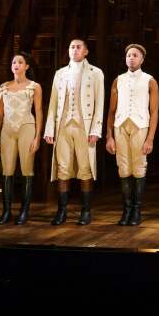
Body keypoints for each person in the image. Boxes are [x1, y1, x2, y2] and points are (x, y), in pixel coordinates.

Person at [43, 38, 104, 226]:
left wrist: (96, 129)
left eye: (78, 47)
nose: (74, 50)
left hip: (84, 126)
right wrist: (49, 129)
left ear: (86, 51)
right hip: (63, 125)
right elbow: (53, 103)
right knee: (63, 168)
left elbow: (99, 102)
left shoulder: (95, 73)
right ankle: (62, 211)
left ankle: (86, 211)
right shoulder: (60, 73)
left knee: (85, 168)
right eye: (71, 47)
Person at [106, 43, 158, 226]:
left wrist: (150, 138)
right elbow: (111, 111)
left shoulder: (149, 80)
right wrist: (109, 136)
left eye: (135, 55)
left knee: (138, 168)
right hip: (120, 126)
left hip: (140, 126)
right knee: (124, 169)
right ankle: (126, 210)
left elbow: (155, 111)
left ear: (142, 59)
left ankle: (137, 210)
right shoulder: (118, 80)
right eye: (129, 55)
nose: (131, 58)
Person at [0, 53, 41, 225]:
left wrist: (37, 137)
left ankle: (24, 211)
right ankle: (6, 211)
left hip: (27, 127)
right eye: (13, 62)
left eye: (20, 62)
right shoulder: (4, 87)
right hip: (7, 129)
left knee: (27, 169)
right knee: (7, 170)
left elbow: (39, 111)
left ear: (27, 66)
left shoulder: (34, 87)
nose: (16, 65)